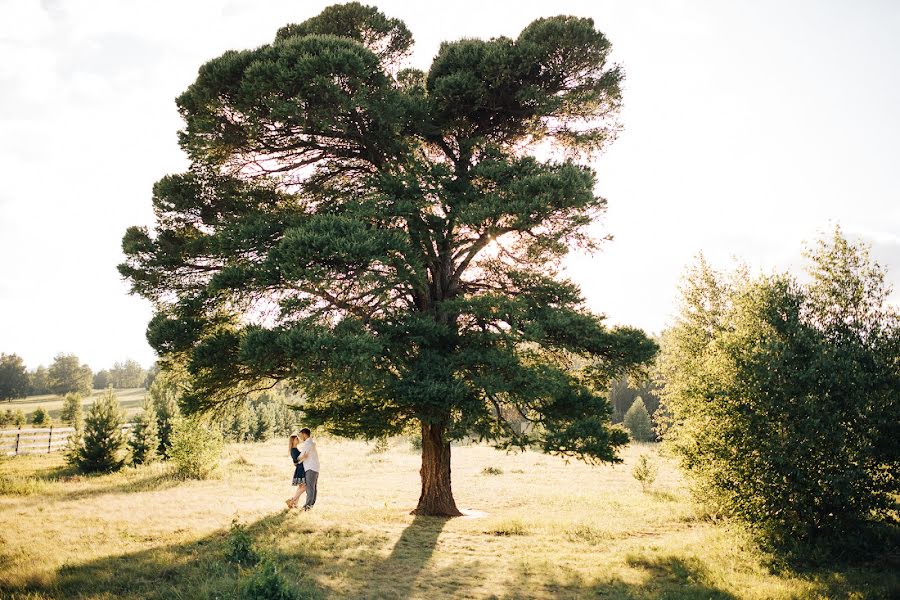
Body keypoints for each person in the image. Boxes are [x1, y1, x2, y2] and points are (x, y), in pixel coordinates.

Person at [295, 427, 319, 511]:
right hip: (315, 467)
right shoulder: (311, 442)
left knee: (310, 488)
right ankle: (310, 505)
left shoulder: (307, 444)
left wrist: (297, 459)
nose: (300, 437)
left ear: (304, 434)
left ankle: (307, 507)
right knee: (313, 488)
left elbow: (301, 456)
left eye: (301, 435)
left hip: (310, 468)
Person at [286, 433, 306, 509]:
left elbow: (295, 462)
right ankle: (291, 500)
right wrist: (303, 457)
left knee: (301, 487)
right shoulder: (293, 450)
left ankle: (295, 504)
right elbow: (296, 460)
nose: (298, 439)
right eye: (296, 439)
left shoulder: (295, 449)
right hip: (300, 470)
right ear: (293, 441)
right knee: (304, 487)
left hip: (300, 469)